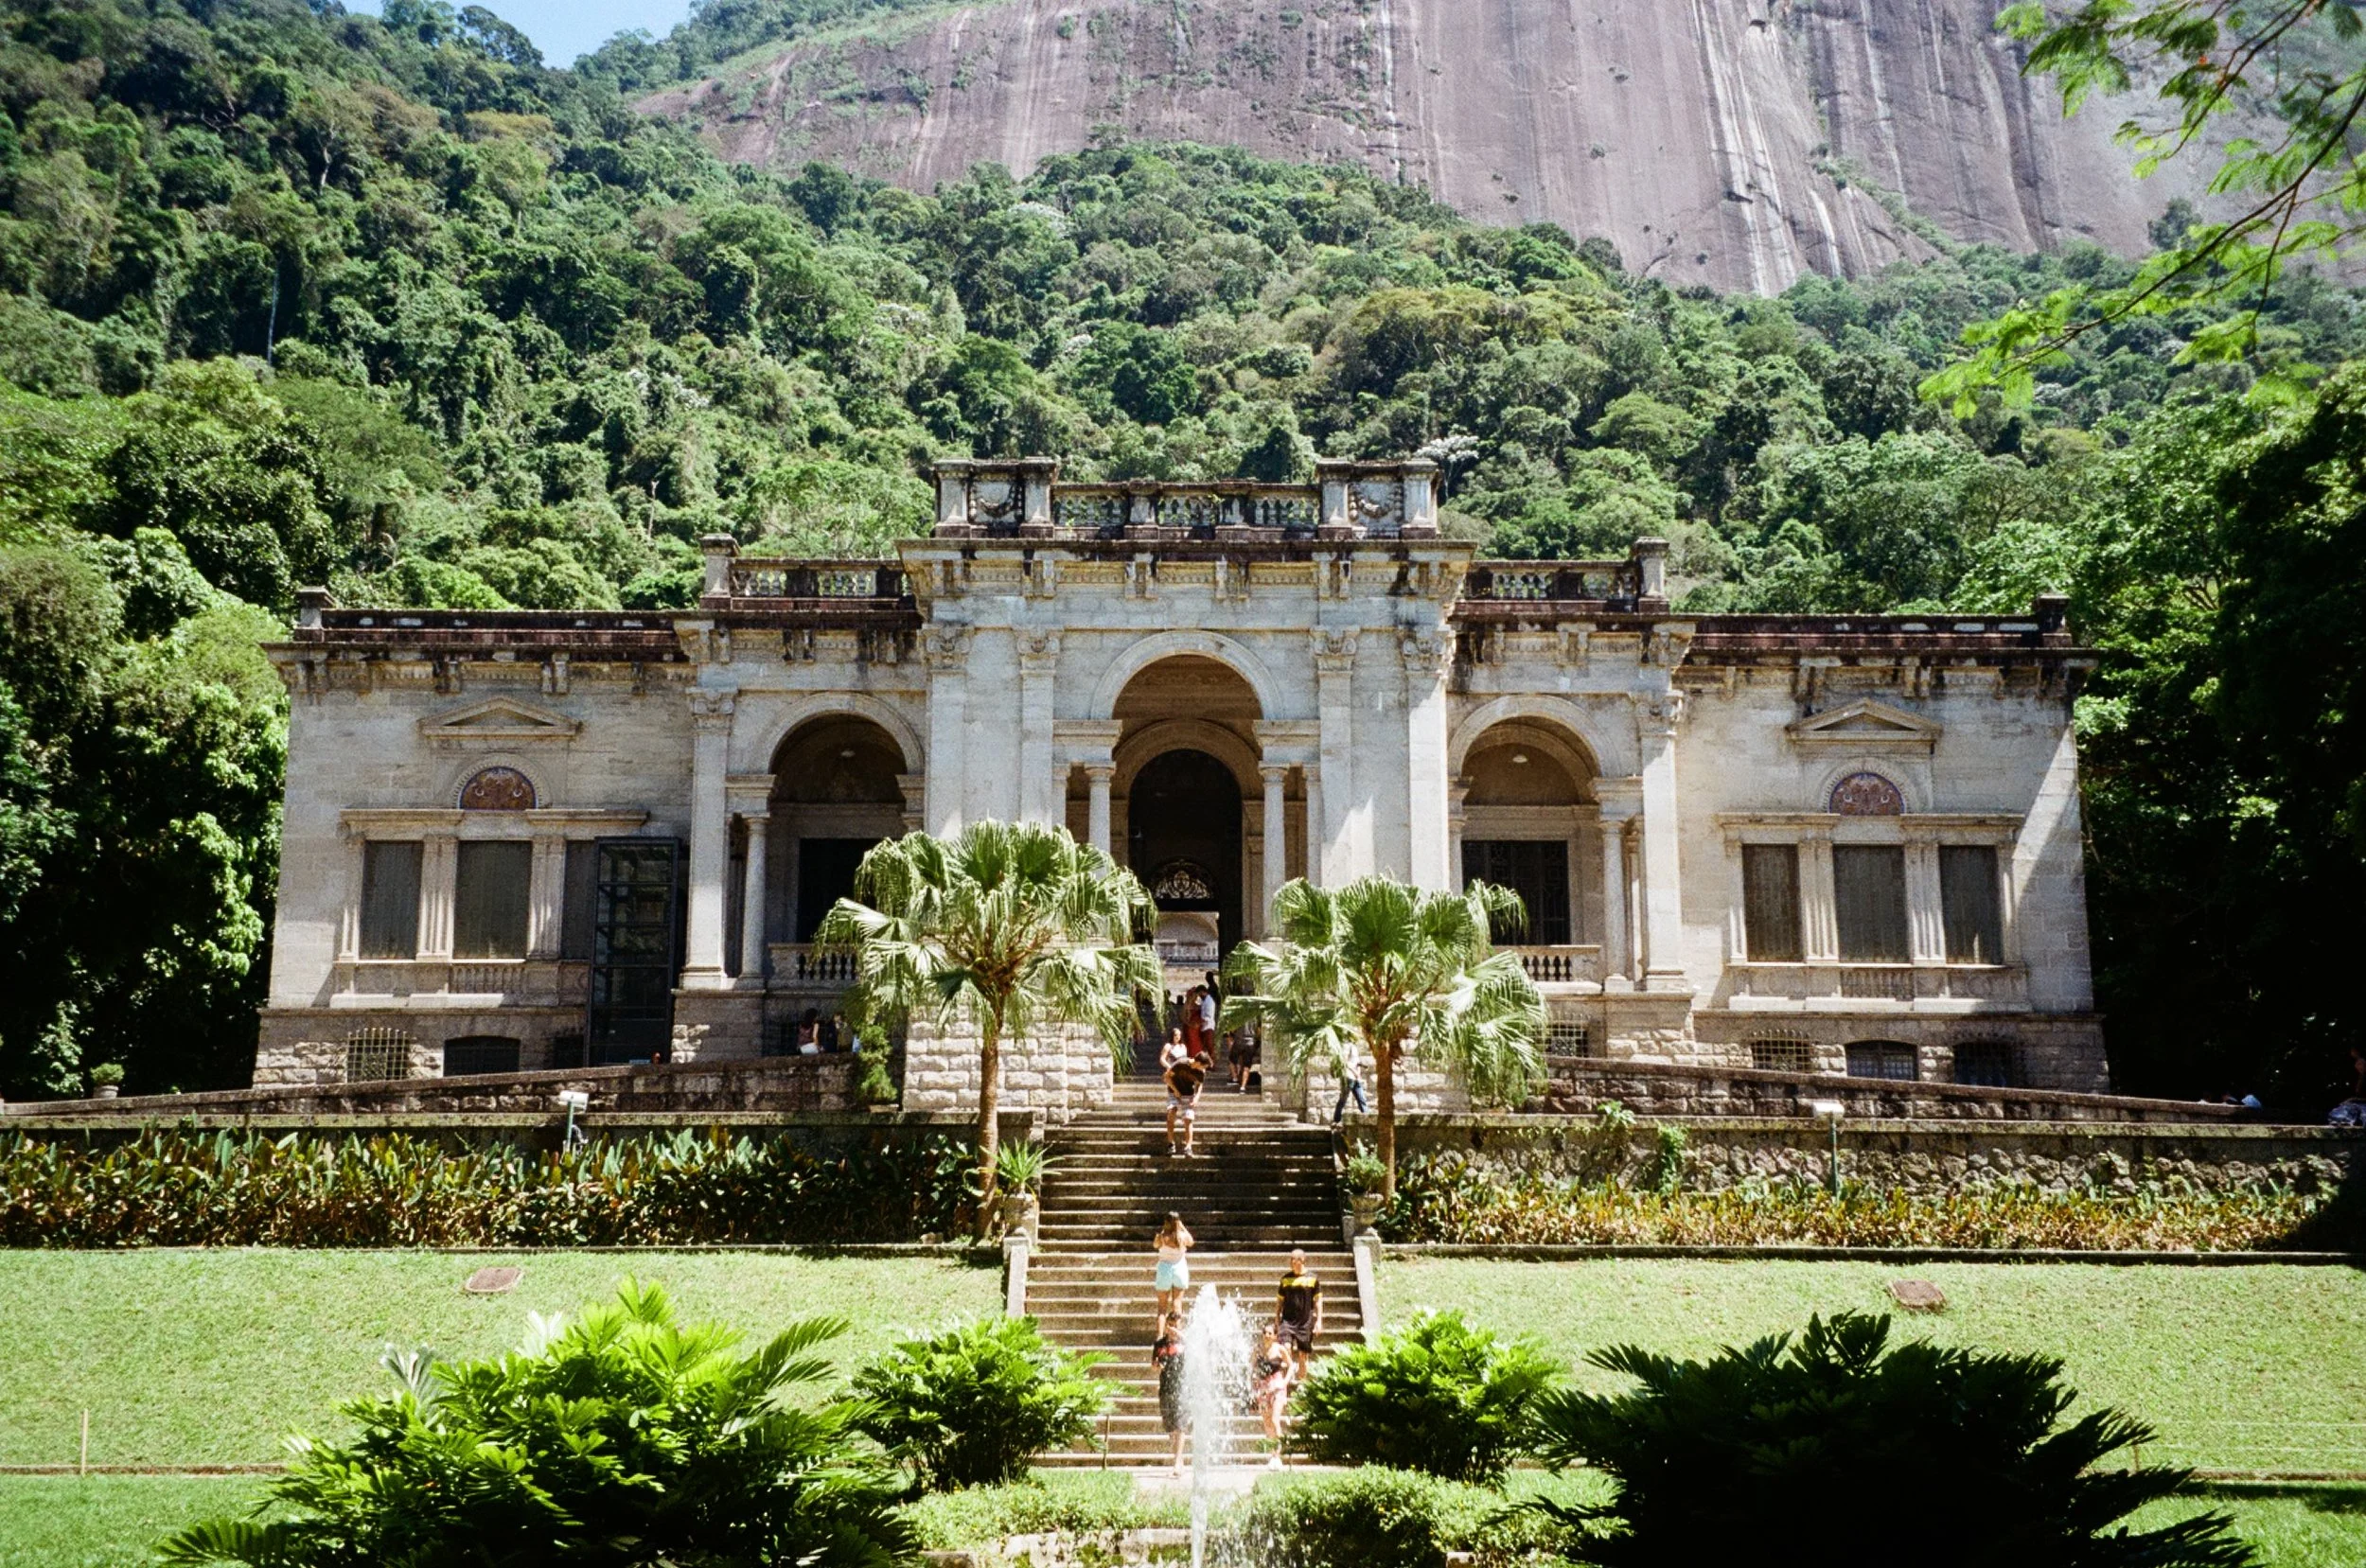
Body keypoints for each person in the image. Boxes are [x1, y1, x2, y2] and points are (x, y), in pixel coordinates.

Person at [1247, 1322, 1292, 1468]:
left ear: (1275, 1336)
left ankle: (1278, 1455)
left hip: (1277, 1386)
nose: (1267, 1335)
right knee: (1267, 1422)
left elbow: (1291, 1365)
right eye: (1265, 1333)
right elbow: (1251, 1367)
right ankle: (1272, 1454)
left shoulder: (1280, 1349)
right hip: (1263, 1388)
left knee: (1275, 1420)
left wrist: (1285, 1382)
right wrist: (1252, 1385)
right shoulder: (1258, 1350)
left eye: (1270, 1333)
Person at [1274, 1248, 1322, 1379]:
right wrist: (1277, 1319)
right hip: (1287, 1321)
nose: (1291, 1262)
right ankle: (1287, 1379)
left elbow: (1318, 1301)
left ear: (1302, 1260)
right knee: (1286, 1348)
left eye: (1293, 1259)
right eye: (1291, 1259)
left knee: (1303, 1355)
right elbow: (1279, 1302)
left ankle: (1301, 1384)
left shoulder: (1313, 1278)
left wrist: (1319, 1321)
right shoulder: (1285, 1279)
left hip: (1305, 1322)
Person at [1153, 1310, 1189, 1474]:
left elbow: (1196, 1352)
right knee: (1170, 1427)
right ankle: (1177, 1457)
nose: (1173, 1328)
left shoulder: (1185, 1343)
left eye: (1176, 1325)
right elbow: (1154, 1364)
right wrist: (1156, 1366)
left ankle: (1178, 1460)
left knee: (1180, 1425)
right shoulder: (1160, 1344)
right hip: (1165, 1388)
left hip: (1181, 1388)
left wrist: (1180, 1336)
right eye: (1171, 1325)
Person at [1153, 1211, 1193, 1326]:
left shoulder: (1161, 1237)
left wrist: (1164, 1230)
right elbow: (1191, 1241)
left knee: (1162, 1308)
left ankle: (1160, 1336)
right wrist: (1181, 1227)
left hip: (1164, 1270)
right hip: (1179, 1269)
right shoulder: (1182, 1237)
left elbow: (1155, 1245)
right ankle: (1177, 1332)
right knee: (1177, 1303)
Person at [1166, 1050, 1208, 1157]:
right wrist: (1175, 1090)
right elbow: (1166, 1076)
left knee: (1188, 1119)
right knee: (1171, 1112)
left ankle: (1188, 1147)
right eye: (1203, 1066)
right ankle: (1171, 1143)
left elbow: (1200, 1084)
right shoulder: (1181, 1063)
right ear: (1198, 1063)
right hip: (1174, 1091)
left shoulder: (1201, 1072)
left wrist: (1197, 1097)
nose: (1204, 1069)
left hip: (1188, 1094)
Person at [1332, 1048, 1368, 1124]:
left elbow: (1354, 1062)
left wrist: (1362, 1065)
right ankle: (1336, 1120)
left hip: (1356, 1079)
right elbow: (1345, 1062)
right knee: (1343, 1099)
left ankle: (1366, 1120)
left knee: (1361, 1099)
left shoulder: (1354, 1046)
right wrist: (1354, 1072)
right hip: (1348, 1077)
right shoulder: (1347, 1045)